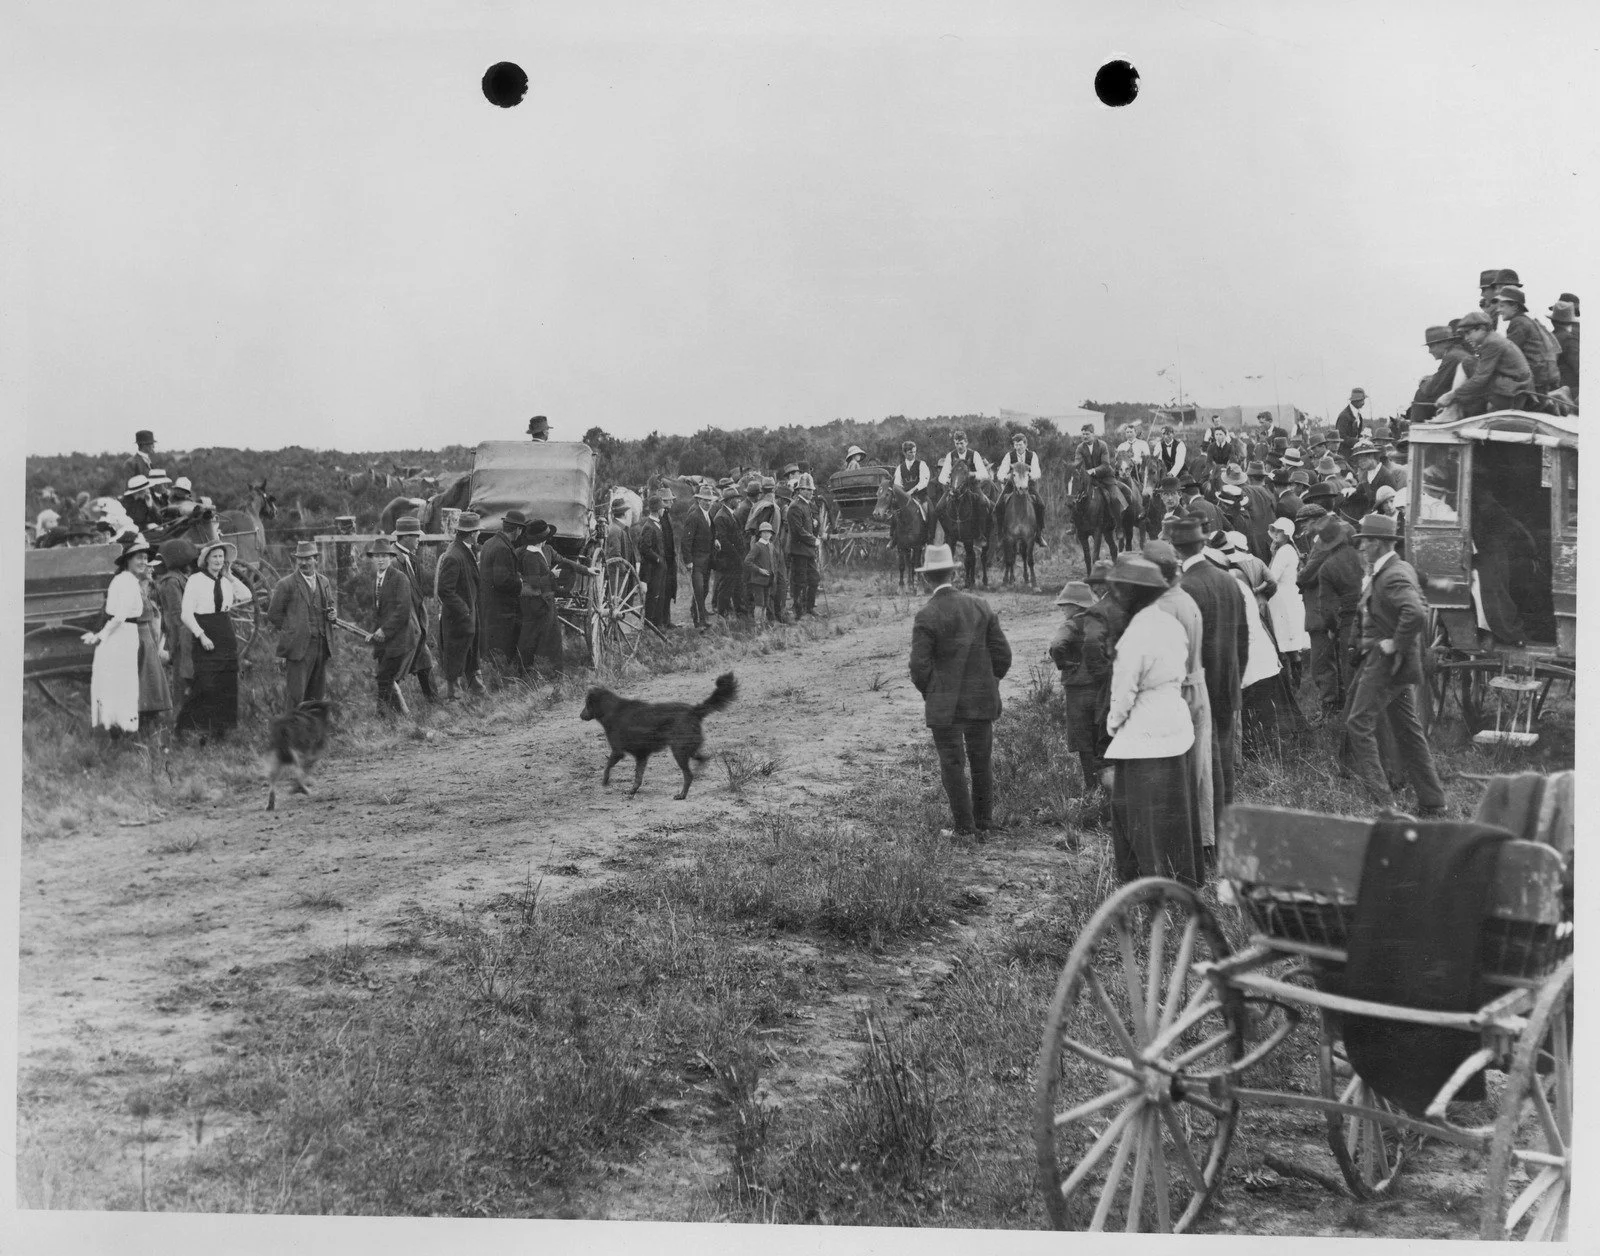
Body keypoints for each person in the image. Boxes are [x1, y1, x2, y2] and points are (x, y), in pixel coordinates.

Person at [1101, 554, 1201, 887]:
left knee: (1140, 817)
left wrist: (1113, 725)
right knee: (1175, 813)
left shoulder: (1136, 634)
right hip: (1176, 724)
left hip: (1143, 735)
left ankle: (1145, 882)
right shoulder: (1169, 623)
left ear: (1130, 595)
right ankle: (1180, 878)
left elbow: (1124, 691)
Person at [1344, 514, 1447, 816]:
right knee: (1408, 730)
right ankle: (1433, 801)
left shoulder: (1391, 575)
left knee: (1357, 723)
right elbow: (1417, 606)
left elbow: (1414, 612)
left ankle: (1383, 802)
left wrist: (1395, 643)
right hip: (1398, 667)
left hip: (1385, 664)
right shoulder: (1397, 568)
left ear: (1378, 544)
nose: (1360, 548)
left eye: (1363, 542)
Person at [908, 544, 1012, 838]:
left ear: (927, 578)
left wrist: (933, 692)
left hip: (945, 706)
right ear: (953, 573)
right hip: (981, 700)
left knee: (952, 764)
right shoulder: (981, 606)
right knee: (981, 761)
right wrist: (989, 682)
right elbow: (1003, 655)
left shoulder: (926, 615)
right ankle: (984, 823)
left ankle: (964, 829)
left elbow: (918, 667)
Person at [1172, 517, 1248, 828]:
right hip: (1228, 681)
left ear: (1177, 551)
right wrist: (1236, 677)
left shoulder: (1185, 587)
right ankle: (1225, 827)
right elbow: (1243, 637)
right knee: (1225, 761)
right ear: (1203, 544)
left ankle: (1208, 833)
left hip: (1199, 687)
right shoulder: (1228, 579)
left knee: (1204, 764)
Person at [1145, 539, 1215, 852]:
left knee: (1176, 773)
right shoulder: (1183, 598)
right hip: (1196, 687)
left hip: (1178, 691)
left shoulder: (1162, 607)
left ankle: (1181, 848)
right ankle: (1203, 841)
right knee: (1200, 771)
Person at [1048, 578, 1126, 789]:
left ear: (1076, 605)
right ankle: (1107, 789)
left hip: (1077, 693)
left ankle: (1091, 789)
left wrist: (1063, 663)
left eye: (1065, 605)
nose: (1062, 609)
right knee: (1101, 739)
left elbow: (1057, 645)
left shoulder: (1071, 624)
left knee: (1084, 743)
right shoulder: (1100, 622)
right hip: (1100, 689)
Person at [175, 539, 253, 737]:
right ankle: (184, 728)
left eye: (221, 557)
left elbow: (247, 596)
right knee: (205, 684)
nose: (218, 560)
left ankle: (220, 730)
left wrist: (230, 577)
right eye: (215, 556)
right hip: (204, 631)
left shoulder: (226, 580)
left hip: (225, 632)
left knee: (226, 683)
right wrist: (201, 636)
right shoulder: (196, 580)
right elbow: (186, 614)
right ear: (206, 559)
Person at [81, 539, 156, 739]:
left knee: (120, 681)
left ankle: (119, 728)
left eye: (145, 558)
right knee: (122, 682)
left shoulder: (128, 580)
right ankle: (121, 729)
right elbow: (120, 615)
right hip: (120, 634)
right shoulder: (125, 581)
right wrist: (101, 635)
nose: (143, 562)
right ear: (128, 561)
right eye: (139, 558)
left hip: (125, 634)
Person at [266, 540, 337, 711]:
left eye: (308, 558)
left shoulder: (324, 581)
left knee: (317, 696)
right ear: (296, 561)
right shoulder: (286, 584)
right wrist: (293, 628)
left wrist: (333, 614)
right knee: (296, 696)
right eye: (300, 559)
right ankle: (291, 733)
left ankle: (311, 732)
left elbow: (330, 605)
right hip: (298, 649)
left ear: (315, 560)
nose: (304, 563)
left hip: (322, 646)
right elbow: (273, 614)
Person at [1437, 310, 1533, 417]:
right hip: (1516, 392)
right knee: (1469, 364)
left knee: (1467, 363)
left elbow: (1480, 379)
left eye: (1468, 333)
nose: (1466, 338)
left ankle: (1452, 411)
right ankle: (1453, 409)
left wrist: (1452, 395)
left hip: (1512, 395)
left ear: (1482, 329)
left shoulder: (1491, 343)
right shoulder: (1494, 339)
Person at [434, 511, 487, 698]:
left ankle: (477, 691)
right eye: (477, 532)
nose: (478, 534)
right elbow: (444, 590)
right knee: (456, 656)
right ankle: (454, 698)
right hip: (457, 619)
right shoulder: (453, 556)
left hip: (467, 616)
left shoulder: (465, 550)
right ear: (472, 533)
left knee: (471, 653)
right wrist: (464, 609)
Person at [366, 536, 420, 715]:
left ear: (390, 557)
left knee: (384, 677)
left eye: (384, 555)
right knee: (386, 678)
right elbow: (378, 611)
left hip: (399, 639)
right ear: (373, 559)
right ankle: (401, 715)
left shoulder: (399, 579)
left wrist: (384, 630)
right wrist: (372, 632)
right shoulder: (376, 579)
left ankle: (382, 716)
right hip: (383, 641)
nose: (380, 559)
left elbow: (403, 610)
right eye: (377, 556)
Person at [391, 517, 441, 705]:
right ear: (405, 537)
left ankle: (434, 703)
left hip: (415, 624)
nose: (419, 539)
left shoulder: (411, 558)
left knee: (425, 660)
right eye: (416, 536)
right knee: (395, 669)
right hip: (404, 626)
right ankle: (388, 709)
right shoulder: (393, 560)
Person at [1265, 518, 1310, 692]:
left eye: (1280, 531)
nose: (1276, 534)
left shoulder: (1285, 551)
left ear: (1287, 534)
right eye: (1274, 530)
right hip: (1283, 596)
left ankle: (1296, 683)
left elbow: (1272, 576)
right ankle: (1294, 681)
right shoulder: (1283, 550)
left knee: (1288, 640)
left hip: (1284, 597)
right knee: (1286, 640)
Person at [515, 519, 564, 674]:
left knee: (536, 637)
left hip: (539, 600)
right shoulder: (531, 556)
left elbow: (564, 561)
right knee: (544, 638)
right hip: (537, 601)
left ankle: (531, 671)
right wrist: (552, 575)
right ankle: (546, 672)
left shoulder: (536, 552)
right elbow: (534, 581)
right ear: (542, 539)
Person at [478, 510, 524, 670]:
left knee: (492, 642)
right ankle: (501, 678)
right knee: (502, 644)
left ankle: (494, 674)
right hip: (502, 607)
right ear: (517, 529)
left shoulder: (489, 543)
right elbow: (502, 581)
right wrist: (519, 581)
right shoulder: (503, 548)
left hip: (488, 603)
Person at [1491, 287, 1561, 392]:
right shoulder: (1525, 321)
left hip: (1535, 380)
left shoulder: (1518, 322)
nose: (1498, 310)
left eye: (1502, 306)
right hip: (1541, 377)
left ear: (1514, 306)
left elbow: (1508, 353)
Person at [154, 538, 197, 706]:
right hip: (182, 637)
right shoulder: (171, 582)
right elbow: (177, 614)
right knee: (182, 679)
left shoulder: (178, 578)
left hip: (186, 634)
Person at [997, 431, 1047, 545]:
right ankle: (1000, 534)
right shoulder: (1009, 456)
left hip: (1028, 485)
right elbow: (1000, 472)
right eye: (1015, 444)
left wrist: (1030, 476)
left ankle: (1039, 535)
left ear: (1025, 444)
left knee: (1041, 505)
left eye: (1020, 444)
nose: (1017, 447)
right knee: (998, 506)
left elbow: (1037, 471)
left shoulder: (1032, 455)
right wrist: (1006, 478)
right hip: (1012, 485)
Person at [1414, 324, 1476, 415]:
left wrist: (1423, 382)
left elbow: (1432, 389)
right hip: (1469, 398)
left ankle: (1417, 425)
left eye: (1431, 346)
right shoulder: (1458, 353)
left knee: (1420, 394)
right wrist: (1431, 378)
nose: (1430, 351)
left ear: (1444, 343)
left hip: (1467, 404)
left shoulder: (1452, 357)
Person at [682, 483, 716, 630]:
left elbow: (710, 533)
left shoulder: (708, 515)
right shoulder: (694, 516)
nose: (708, 503)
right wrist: (688, 561)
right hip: (696, 561)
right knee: (699, 590)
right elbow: (686, 541)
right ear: (699, 500)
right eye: (705, 500)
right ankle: (699, 623)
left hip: (707, 560)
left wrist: (715, 540)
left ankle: (699, 616)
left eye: (710, 500)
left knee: (705, 590)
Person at [787, 480, 822, 617]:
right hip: (798, 551)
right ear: (800, 490)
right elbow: (798, 531)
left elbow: (807, 527)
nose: (811, 492)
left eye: (812, 490)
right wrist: (814, 540)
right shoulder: (795, 506)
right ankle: (798, 611)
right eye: (808, 489)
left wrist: (814, 524)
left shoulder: (807, 506)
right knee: (800, 582)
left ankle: (809, 607)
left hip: (808, 550)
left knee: (814, 579)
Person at [711, 485, 746, 618]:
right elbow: (723, 541)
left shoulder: (731, 515)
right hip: (728, 560)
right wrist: (737, 556)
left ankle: (740, 612)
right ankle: (723, 614)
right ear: (729, 500)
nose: (738, 501)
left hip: (735, 559)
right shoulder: (721, 517)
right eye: (736, 499)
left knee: (737, 587)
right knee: (726, 588)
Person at [744, 520, 780, 623]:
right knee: (759, 603)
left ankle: (763, 622)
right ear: (760, 533)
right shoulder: (757, 546)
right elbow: (747, 561)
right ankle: (758, 624)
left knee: (766, 603)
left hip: (768, 580)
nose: (767, 534)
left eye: (769, 532)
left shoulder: (771, 545)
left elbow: (773, 561)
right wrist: (759, 570)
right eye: (764, 532)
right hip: (758, 580)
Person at [1550, 300, 1579, 401]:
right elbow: (1578, 366)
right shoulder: (1569, 339)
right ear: (1570, 321)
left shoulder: (1550, 336)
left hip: (1553, 384)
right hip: (1568, 388)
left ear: (1552, 321)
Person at [1335, 389, 1370, 457]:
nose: (1363, 403)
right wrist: (1358, 441)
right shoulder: (1344, 416)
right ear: (1355, 401)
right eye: (1362, 400)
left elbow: (1357, 433)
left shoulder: (1358, 415)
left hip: (1355, 452)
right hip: (1344, 454)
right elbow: (1340, 437)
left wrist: (1363, 438)